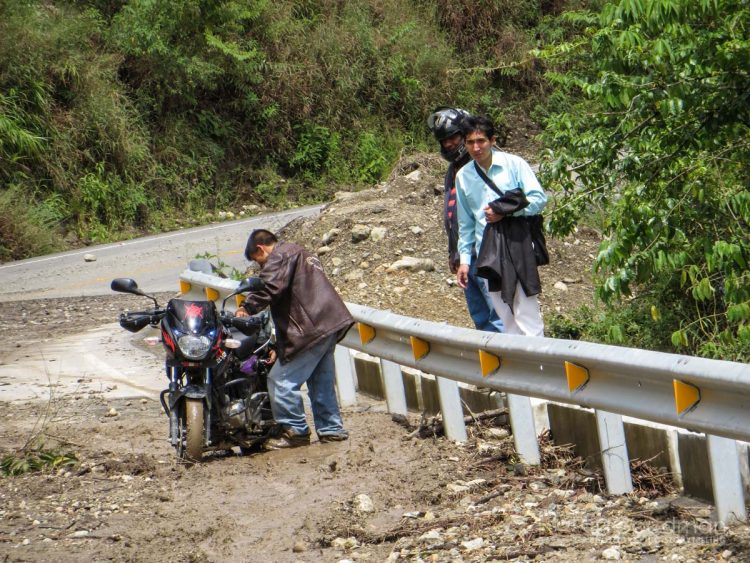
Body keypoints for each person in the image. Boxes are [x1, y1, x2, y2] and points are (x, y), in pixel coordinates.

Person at [235, 229, 353, 449]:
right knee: (320, 381)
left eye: (259, 262)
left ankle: (294, 431)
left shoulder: (280, 255)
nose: (261, 267)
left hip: (311, 328)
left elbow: (270, 286)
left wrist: (246, 308)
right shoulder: (299, 252)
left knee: (281, 381)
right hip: (328, 323)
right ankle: (331, 430)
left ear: (260, 248)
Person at [455, 115, 547, 336]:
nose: (476, 148)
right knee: (505, 317)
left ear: (492, 140)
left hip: (518, 247)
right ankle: (518, 367)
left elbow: (539, 199)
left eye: (481, 141)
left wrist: (505, 211)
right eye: (470, 142)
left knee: (526, 313)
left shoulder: (514, 164)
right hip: (488, 253)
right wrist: (464, 261)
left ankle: (539, 366)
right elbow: (465, 223)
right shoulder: (463, 176)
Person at [427, 107, 504, 333]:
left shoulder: (487, 165)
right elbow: (454, 215)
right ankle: (492, 362)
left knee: (497, 314)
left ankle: (508, 362)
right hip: (466, 255)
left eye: (453, 137)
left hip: (489, 250)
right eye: (444, 140)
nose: (449, 144)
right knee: (480, 316)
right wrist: (455, 253)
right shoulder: (453, 170)